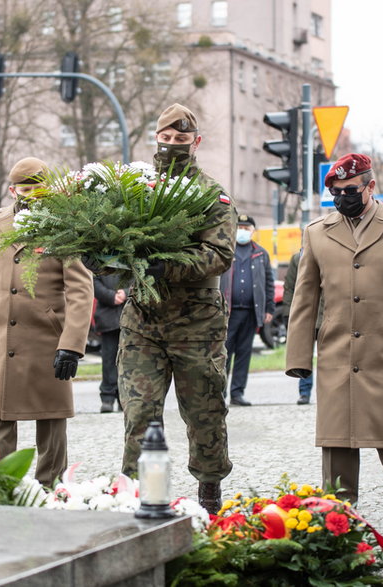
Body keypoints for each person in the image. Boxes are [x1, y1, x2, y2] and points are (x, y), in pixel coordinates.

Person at [285, 153, 383, 537]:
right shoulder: (317, 232)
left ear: (370, 187)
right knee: (337, 441)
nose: (342, 198)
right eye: (335, 192)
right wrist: (299, 356)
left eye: (350, 190)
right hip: (337, 350)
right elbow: (304, 299)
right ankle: (339, 512)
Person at [118, 103, 236, 514]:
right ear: (155, 138)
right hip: (143, 322)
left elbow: (219, 254)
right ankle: (141, 495)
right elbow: (109, 235)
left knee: (205, 414)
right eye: (165, 139)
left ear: (196, 142)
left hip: (197, 324)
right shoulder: (135, 189)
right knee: (139, 415)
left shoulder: (210, 195)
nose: (171, 147)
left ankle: (209, 491)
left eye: (181, 140)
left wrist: (167, 265)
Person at [0, 157, 93, 487]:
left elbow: (80, 289)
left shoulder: (65, 223)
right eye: (24, 188)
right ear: (12, 190)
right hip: (1, 340)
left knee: (52, 425)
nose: (30, 194)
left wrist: (72, 345)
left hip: (48, 342)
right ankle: (0, 488)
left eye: (37, 188)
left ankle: (51, 489)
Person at [220, 214, 274, 407]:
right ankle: (220, 393)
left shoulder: (261, 253)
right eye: (239, 227)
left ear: (253, 231)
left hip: (251, 312)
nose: (242, 231)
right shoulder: (226, 251)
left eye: (246, 228)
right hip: (228, 312)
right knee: (224, 354)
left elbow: (268, 282)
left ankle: (237, 393)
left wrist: (269, 308)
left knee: (244, 354)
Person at [282, 248, 322, 405]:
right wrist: (288, 313)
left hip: (326, 314)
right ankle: (304, 392)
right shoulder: (298, 258)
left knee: (330, 358)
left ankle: (328, 392)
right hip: (306, 316)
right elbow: (290, 287)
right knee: (304, 356)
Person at [93, 273, 127, 413]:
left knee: (129, 361)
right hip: (108, 315)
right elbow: (93, 282)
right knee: (109, 360)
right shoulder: (99, 258)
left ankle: (123, 398)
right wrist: (110, 296)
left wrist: (126, 293)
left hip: (131, 315)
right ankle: (108, 398)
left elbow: (141, 276)